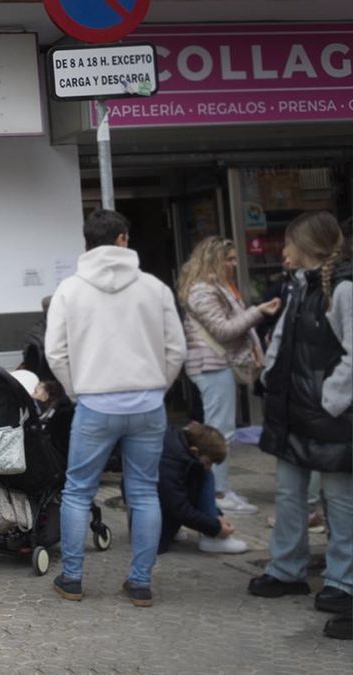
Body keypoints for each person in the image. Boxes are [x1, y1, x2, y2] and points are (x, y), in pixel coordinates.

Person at [45, 209, 186, 607]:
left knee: (77, 491)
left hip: (95, 404)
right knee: (143, 492)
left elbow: (56, 353)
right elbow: (176, 349)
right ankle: (140, 583)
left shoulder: (69, 290)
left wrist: (78, 392)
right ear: (123, 239)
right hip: (148, 403)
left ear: (87, 242)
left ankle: (72, 579)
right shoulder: (154, 288)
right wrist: (157, 388)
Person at [248, 211, 351, 642]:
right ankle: (286, 569)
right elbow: (282, 340)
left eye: (288, 242)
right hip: (294, 411)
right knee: (289, 494)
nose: (283, 250)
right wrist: (270, 378)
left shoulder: (343, 287)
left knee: (339, 501)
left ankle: (343, 581)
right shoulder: (298, 285)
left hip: (331, 416)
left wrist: (332, 399)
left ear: (306, 245)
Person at [179, 236, 280, 516]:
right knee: (220, 431)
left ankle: (219, 488)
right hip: (211, 365)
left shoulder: (213, 288)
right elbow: (223, 330)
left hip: (215, 365)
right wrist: (257, 312)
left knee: (221, 428)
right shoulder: (203, 291)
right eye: (229, 259)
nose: (234, 264)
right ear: (213, 260)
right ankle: (217, 492)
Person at [157, 422, 249, 555]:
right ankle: (211, 538)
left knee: (203, 473)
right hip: (152, 522)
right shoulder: (170, 462)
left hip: (157, 509)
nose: (208, 467)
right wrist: (215, 528)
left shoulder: (178, 449)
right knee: (204, 474)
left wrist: (217, 515)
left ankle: (208, 531)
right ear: (194, 451)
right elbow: (179, 507)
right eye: (208, 462)